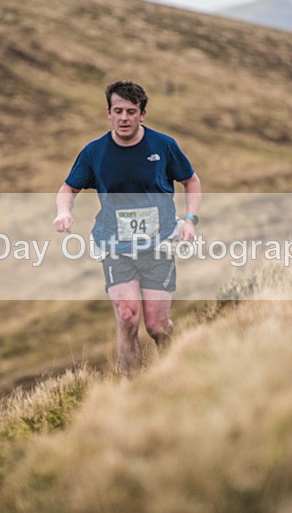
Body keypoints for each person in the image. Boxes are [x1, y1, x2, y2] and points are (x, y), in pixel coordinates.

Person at [53, 81, 202, 377]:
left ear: (142, 115)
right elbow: (68, 187)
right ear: (108, 113)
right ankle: (132, 386)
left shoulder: (163, 146)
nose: (124, 117)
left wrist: (189, 220)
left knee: (157, 326)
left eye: (131, 112)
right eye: (118, 111)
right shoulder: (95, 152)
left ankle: (173, 372)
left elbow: (191, 181)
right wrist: (63, 212)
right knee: (127, 315)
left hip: (159, 244)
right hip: (114, 246)